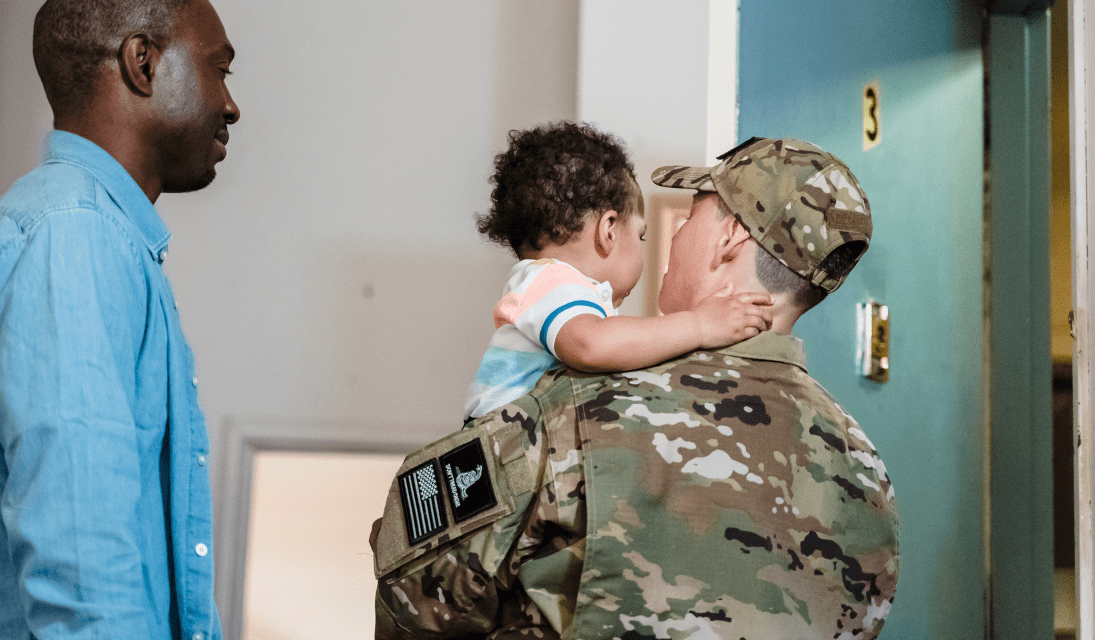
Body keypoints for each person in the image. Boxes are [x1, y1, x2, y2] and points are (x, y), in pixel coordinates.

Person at [372, 137, 899, 639]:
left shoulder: (568, 413)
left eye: (691, 216)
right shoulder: (865, 468)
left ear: (730, 238)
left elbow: (416, 596)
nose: (671, 235)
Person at [0, 0, 239, 639]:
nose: (230, 103)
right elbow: (83, 564)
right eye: (219, 67)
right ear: (142, 62)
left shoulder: (95, 236)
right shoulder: (69, 238)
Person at [465, 122, 772, 419]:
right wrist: (701, 325)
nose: (645, 249)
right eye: (641, 235)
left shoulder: (550, 288)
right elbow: (591, 345)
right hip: (495, 451)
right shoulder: (547, 281)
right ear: (608, 230)